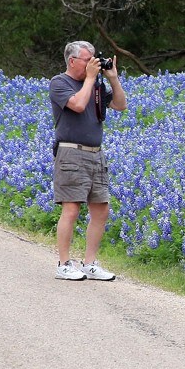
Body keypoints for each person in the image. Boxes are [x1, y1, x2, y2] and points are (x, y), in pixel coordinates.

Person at [49, 40, 128, 280]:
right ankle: (63, 264)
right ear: (72, 61)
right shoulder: (59, 83)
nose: (93, 63)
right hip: (71, 152)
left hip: (96, 153)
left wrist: (112, 78)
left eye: (95, 59)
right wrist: (91, 79)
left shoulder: (96, 84)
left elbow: (120, 105)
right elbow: (78, 104)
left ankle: (90, 263)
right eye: (88, 59)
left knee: (101, 210)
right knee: (71, 209)